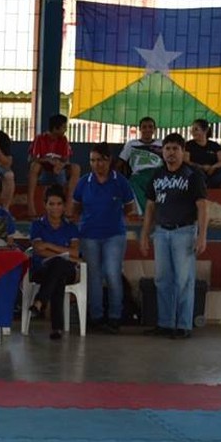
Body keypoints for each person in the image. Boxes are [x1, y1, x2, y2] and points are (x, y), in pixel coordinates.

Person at [140, 133, 208, 339]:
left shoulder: (192, 174)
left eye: (175, 149)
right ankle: (165, 324)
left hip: (184, 232)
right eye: (167, 148)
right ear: (162, 151)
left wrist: (202, 236)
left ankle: (184, 325)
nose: (170, 153)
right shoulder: (157, 175)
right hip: (161, 232)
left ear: (183, 151)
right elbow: (150, 207)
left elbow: (203, 207)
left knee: (184, 281)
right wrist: (144, 234)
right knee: (163, 280)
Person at [72, 142, 137, 334]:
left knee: (112, 273)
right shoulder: (84, 182)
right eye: (93, 160)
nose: (97, 164)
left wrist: (113, 218)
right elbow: (76, 208)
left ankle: (115, 317)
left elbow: (130, 207)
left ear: (109, 161)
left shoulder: (121, 182)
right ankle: (96, 317)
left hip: (114, 236)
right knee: (93, 276)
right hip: (89, 236)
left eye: (101, 160)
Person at [28, 184, 80, 340]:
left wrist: (49, 245)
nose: (55, 208)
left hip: (68, 269)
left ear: (64, 206)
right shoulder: (37, 225)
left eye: (58, 204)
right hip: (41, 269)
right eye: (51, 204)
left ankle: (39, 301)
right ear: (45, 205)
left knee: (58, 267)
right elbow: (38, 249)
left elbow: (76, 252)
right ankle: (56, 328)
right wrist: (63, 252)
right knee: (58, 273)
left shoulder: (70, 227)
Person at [26, 113, 81, 217]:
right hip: (44, 173)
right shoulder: (40, 138)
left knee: (76, 168)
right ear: (56, 128)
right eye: (64, 127)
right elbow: (32, 158)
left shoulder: (63, 140)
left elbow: (66, 159)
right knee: (34, 166)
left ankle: (69, 206)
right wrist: (47, 160)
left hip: (59, 172)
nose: (65, 130)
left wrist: (60, 165)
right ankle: (31, 206)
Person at [117, 116, 163, 214]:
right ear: (140, 129)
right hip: (138, 175)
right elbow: (120, 162)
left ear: (154, 129)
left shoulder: (161, 144)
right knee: (131, 183)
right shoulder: (132, 144)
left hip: (157, 173)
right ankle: (146, 214)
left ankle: (153, 213)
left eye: (150, 127)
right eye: (144, 127)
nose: (147, 129)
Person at [184, 118, 221, 189]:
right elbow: (186, 161)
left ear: (205, 130)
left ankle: (207, 184)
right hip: (197, 171)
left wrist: (213, 167)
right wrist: (201, 167)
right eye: (192, 130)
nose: (193, 132)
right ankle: (212, 184)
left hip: (213, 172)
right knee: (194, 172)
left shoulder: (214, 145)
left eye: (196, 129)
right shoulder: (188, 145)